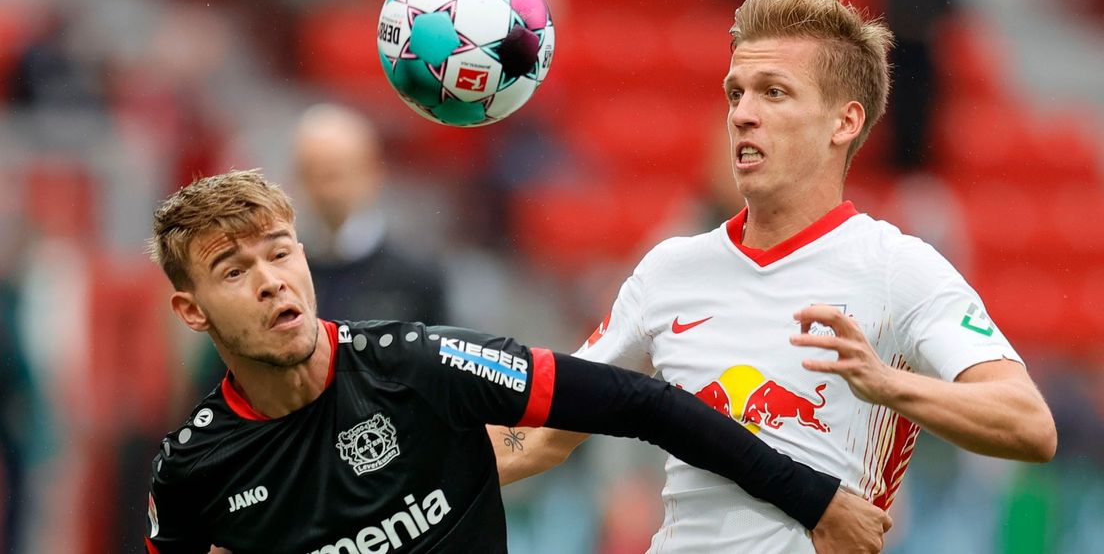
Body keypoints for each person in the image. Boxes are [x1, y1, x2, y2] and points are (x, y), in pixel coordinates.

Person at [491, 0, 1057, 553]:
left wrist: (887, 385)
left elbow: (1029, 425)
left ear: (844, 122)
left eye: (774, 93)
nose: (743, 115)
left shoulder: (897, 267)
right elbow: (542, 436)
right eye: (735, 94)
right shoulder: (670, 268)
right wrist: (410, 474)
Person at [142, 169, 891, 554]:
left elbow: (638, 403)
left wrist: (813, 500)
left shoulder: (416, 365)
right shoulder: (194, 468)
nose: (272, 279)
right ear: (192, 309)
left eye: (280, 252)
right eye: (235, 270)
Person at [292, 103, 447, 324]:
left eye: (335, 174)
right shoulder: (284, 273)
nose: (326, 191)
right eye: (311, 173)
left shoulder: (417, 274)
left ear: (373, 173)